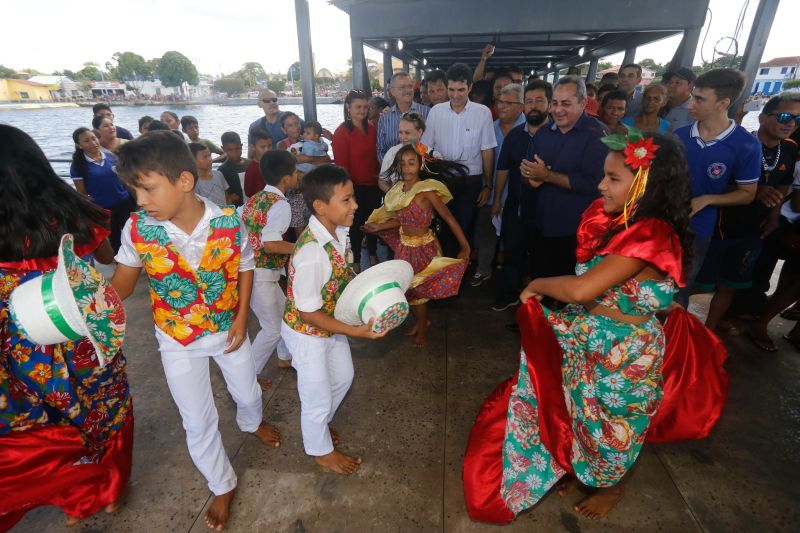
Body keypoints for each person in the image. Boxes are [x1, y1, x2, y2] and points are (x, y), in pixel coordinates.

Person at [463, 131, 728, 523]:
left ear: (645, 184)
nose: (602, 184)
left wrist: (536, 285)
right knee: (577, 413)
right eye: (604, 175)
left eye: (613, 178)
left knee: (613, 429)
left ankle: (612, 485)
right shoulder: (627, 221)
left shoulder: (650, 232)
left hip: (624, 356)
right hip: (592, 336)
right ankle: (579, 466)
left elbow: (582, 287)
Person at [110, 131, 281, 531]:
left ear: (184, 181)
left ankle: (251, 422)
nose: (139, 201)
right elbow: (122, 283)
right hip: (176, 341)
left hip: (228, 333)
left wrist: (241, 318)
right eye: (135, 191)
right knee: (196, 420)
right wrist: (88, 304)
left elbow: (245, 265)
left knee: (247, 393)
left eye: (148, 189)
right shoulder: (137, 229)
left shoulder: (227, 222)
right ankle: (222, 484)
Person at [0, 125, 132, 530]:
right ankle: (105, 492)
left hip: (21, 349)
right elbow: (105, 264)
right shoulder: (72, 209)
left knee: (39, 421)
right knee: (104, 409)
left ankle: (67, 489)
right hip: (81, 332)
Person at [280, 164, 386, 474]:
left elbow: (344, 275)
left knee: (343, 377)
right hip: (307, 332)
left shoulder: (338, 231)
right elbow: (306, 313)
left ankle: (320, 425)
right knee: (316, 394)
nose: (355, 205)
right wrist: (356, 331)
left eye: (353, 198)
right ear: (320, 207)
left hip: (329, 323)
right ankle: (319, 450)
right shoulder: (311, 253)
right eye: (347, 199)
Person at [695, 93, 799, 346]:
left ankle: (706, 338)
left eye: (797, 119)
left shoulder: (789, 148)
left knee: (729, 286)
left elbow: (784, 184)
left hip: (754, 230)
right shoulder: (742, 144)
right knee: (698, 285)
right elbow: (716, 183)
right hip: (720, 226)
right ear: (763, 117)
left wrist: (774, 216)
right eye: (785, 116)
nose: (790, 123)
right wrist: (754, 190)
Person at [364, 143, 470, 346]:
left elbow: (448, 218)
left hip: (424, 248)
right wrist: (379, 226)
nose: (406, 168)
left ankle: (422, 327)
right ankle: (424, 320)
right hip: (405, 247)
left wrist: (465, 246)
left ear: (420, 165)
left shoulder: (427, 191)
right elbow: (403, 220)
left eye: (411, 163)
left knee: (417, 292)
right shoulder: (398, 191)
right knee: (406, 289)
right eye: (402, 164)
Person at [673, 68, 760, 307]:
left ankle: (671, 340)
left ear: (723, 103)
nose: (691, 104)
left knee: (680, 288)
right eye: (692, 96)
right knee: (648, 283)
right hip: (664, 219)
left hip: (699, 226)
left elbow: (747, 194)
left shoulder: (746, 144)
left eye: (699, 99)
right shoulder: (680, 135)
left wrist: (706, 200)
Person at [520, 75, 608, 289]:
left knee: (569, 286)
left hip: (575, 230)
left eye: (566, 104)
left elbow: (594, 184)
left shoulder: (597, 136)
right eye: (555, 103)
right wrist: (531, 179)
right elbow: (528, 171)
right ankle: (538, 319)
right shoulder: (543, 133)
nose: (558, 110)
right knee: (540, 278)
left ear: (583, 103)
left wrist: (547, 176)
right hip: (540, 224)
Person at [422, 62, 496, 258]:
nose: (455, 95)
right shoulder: (436, 112)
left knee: (464, 228)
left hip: (471, 182)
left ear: (470, 87)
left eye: (461, 90)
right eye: (451, 90)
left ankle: (459, 274)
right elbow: (424, 147)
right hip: (442, 180)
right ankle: (445, 274)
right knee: (442, 229)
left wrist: (487, 185)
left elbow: (487, 150)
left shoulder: (483, 113)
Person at [492, 80, 552, 312]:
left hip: (546, 210)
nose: (534, 106)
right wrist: (497, 199)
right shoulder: (515, 136)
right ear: (523, 106)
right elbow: (503, 169)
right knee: (512, 253)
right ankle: (509, 294)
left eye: (539, 101)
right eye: (529, 101)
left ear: (549, 103)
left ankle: (538, 307)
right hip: (516, 206)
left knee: (541, 259)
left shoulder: (557, 135)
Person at [242, 150, 297, 384]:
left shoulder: (254, 199)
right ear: (286, 178)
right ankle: (247, 378)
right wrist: (302, 247)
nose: (297, 176)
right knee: (272, 329)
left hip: (254, 272)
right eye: (295, 173)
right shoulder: (281, 205)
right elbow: (272, 244)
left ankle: (285, 356)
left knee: (284, 318)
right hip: (261, 276)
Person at [471, 82, 526, 288]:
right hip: (491, 192)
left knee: (515, 239)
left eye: (508, 103)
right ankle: (483, 270)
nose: (501, 107)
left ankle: (514, 280)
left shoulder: (530, 130)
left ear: (521, 106)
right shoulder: (489, 128)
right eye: (499, 102)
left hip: (517, 196)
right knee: (487, 232)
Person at [333, 90, 381, 271]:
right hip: (354, 187)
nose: (362, 110)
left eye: (365, 107)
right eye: (358, 107)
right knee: (355, 225)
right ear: (348, 108)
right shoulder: (341, 132)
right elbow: (341, 166)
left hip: (374, 185)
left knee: (373, 221)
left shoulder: (372, 128)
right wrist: (349, 192)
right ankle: (357, 259)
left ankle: (373, 252)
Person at [70, 127, 137, 252]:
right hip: (103, 209)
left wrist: (136, 198)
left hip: (124, 203)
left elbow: (125, 181)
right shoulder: (78, 166)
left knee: (134, 234)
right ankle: (120, 263)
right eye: (86, 141)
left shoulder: (112, 157)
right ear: (79, 145)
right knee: (115, 238)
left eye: (94, 138)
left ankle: (142, 261)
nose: (93, 143)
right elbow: (82, 193)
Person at [379, 111, 440, 193]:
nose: (403, 137)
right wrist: (393, 195)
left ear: (420, 132)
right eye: (400, 132)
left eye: (407, 133)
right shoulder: (392, 152)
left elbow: (439, 187)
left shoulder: (433, 155)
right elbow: (382, 181)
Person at [377, 72, 430, 162]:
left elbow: (431, 145)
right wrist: (392, 169)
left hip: (421, 172)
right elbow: (380, 150)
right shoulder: (385, 118)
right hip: (393, 173)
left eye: (410, 86)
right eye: (402, 87)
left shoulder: (427, 113)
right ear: (392, 91)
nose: (408, 90)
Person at [248, 89, 303, 158]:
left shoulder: (291, 119)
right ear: (259, 104)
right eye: (267, 101)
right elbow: (251, 154)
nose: (272, 103)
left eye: (274, 100)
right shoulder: (255, 126)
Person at [189, 143, 230, 207]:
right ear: (193, 160)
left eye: (209, 155)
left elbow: (227, 197)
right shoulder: (194, 184)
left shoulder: (219, 175)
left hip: (226, 214)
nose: (210, 159)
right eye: (205, 157)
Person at [217, 131, 248, 207]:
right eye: (230, 150)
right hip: (236, 209)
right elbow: (222, 193)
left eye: (237, 149)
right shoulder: (222, 170)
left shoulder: (250, 164)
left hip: (253, 205)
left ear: (241, 146)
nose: (234, 153)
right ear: (223, 149)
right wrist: (230, 197)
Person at [243, 130, 273, 198]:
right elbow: (248, 192)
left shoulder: (274, 163)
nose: (267, 149)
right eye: (262, 147)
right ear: (253, 147)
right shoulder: (252, 169)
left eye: (269, 146)